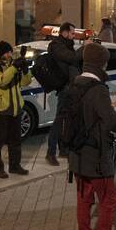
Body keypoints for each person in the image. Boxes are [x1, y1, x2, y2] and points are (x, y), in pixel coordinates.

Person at [67, 42, 116, 230]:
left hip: (76, 155)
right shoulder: (98, 90)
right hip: (96, 156)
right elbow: (111, 121)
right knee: (108, 199)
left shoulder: (74, 84)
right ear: (102, 63)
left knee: (83, 200)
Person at [0, 41, 32, 178]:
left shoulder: (13, 64)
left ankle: (15, 166)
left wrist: (25, 70)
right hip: (1, 109)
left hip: (16, 108)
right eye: (6, 52)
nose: (9, 54)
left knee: (15, 140)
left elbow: (25, 82)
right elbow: (1, 81)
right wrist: (13, 67)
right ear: (1, 53)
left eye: (10, 52)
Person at [45, 23, 82, 166]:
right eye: (72, 33)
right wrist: (85, 48)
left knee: (68, 119)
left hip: (71, 86)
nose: (74, 36)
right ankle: (50, 152)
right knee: (59, 120)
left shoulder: (67, 44)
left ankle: (63, 149)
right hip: (64, 87)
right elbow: (72, 58)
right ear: (65, 33)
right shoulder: (57, 45)